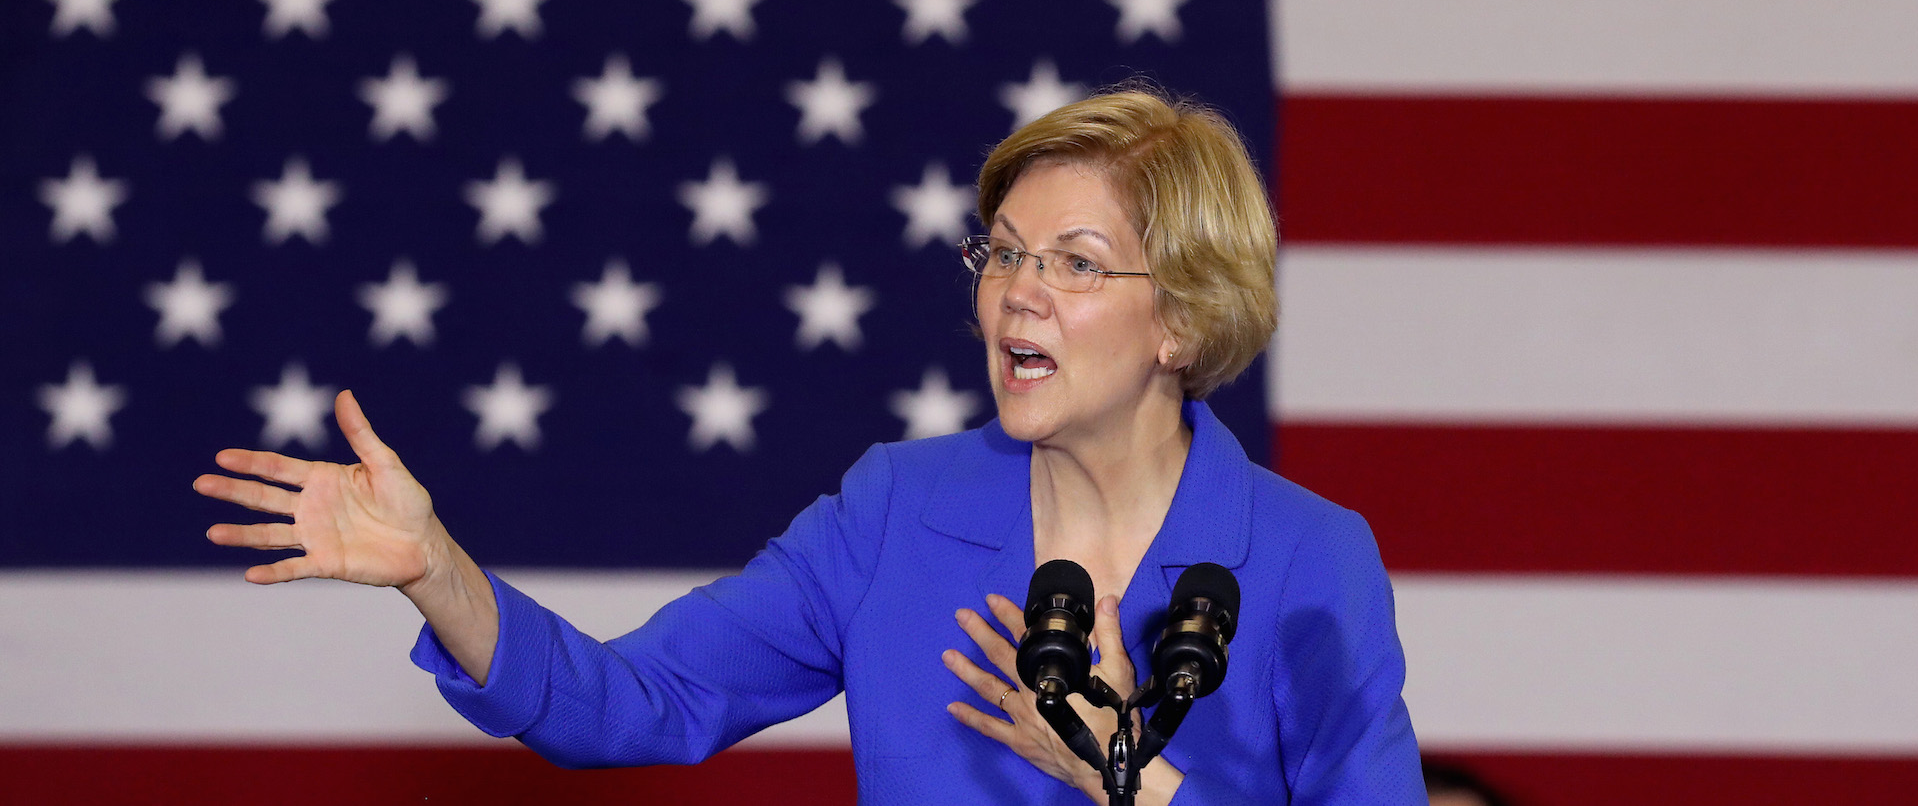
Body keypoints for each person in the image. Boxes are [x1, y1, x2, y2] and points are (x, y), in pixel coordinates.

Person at [196, 86, 1426, 804]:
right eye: (1000, 251)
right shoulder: (897, 509)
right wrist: (436, 567)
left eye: (1074, 264)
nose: (1015, 294)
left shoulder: (1305, 559)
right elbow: (639, 702)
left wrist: (1133, 784)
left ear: (1182, 319)